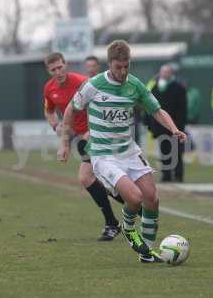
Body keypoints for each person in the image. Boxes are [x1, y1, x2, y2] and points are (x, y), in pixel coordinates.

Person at [58, 40, 187, 263]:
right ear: (109, 64)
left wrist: (174, 129)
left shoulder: (134, 85)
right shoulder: (94, 85)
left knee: (152, 199)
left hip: (129, 152)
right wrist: (65, 142)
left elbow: (156, 110)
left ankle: (146, 253)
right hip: (104, 156)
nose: (123, 71)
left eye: (126, 66)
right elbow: (71, 109)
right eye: (118, 67)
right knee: (134, 198)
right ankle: (128, 228)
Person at [43, 52, 122, 241]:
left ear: (66, 64)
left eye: (60, 67)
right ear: (49, 71)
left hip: (99, 134)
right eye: (53, 69)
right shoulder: (49, 88)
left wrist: (94, 128)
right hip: (82, 137)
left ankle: (116, 221)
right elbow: (49, 111)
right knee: (96, 180)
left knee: (87, 177)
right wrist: (56, 125)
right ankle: (130, 211)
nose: (58, 72)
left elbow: (105, 105)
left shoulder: (82, 82)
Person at [146, 64, 187, 182]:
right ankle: (166, 175)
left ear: (171, 73)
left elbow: (182, 109)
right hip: (160, 127)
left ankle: (178, 175)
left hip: (175, 126)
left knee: (176, 152)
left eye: (166, 72)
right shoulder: (155, 87)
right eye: (162, 71)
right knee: (164, 152)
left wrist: (179, 126)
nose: (164, 74)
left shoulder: (178, 88)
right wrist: (150, 124)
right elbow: (150, 107)